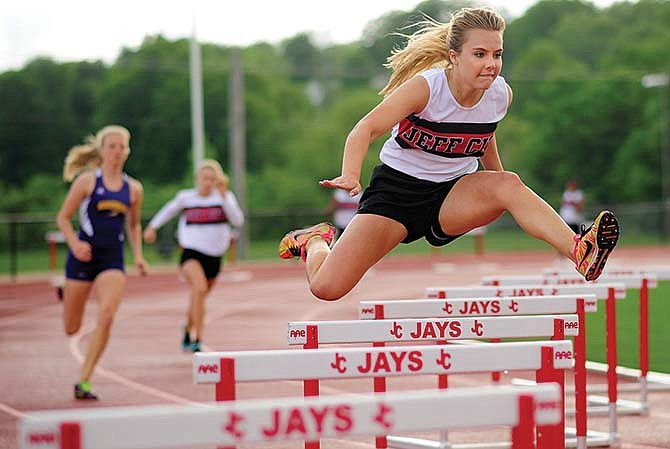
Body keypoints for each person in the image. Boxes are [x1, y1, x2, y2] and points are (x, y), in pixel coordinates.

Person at [277, 7, 620, 301]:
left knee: (510, 183)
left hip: (450, 194)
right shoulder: (427, 89)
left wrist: (500, 188)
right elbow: (363, 129)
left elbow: (484, 136)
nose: (491, 64)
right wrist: (351, 174)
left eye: (497, 55)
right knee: (327, 287)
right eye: (480, 54)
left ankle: (580, 251)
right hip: (396, 194)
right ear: (455, 57)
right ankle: (315, 241)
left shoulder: (500, 95)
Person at [56, 125, 148, 399]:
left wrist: (139, 257)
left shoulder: (133, 189)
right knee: (72, 327)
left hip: (112, 259)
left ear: (127, 152)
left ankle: (84, 379)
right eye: (112, 146)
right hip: (83, 257)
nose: (117, 152)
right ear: (102, 150)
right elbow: (63, 218)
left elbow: (133, 226)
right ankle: (66, 292)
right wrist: (74, 244)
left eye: (122, 147)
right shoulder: (87, 182)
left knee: (106, 316)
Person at [143, 160, 244, 352]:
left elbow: (237, 220)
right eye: (205, 178)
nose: (208, 182)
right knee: (199, 288)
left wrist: (225, 197)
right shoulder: (186, 198)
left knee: (199, 297)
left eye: (212, 179)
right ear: (197, 179)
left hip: (214, 257)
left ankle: (188, 327)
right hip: (191, 253)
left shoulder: (224, 198)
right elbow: (168, 210)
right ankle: (198, 338)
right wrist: (152, 227)